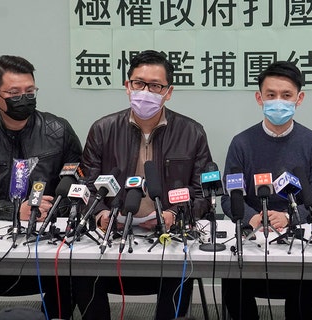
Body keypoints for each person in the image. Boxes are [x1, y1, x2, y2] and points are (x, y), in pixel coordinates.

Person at [80, 49, 213, 320]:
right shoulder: (103, 129)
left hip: (168, 238)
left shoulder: (192, 132)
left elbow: (202, 192)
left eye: (155, 86)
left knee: (180, 271)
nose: (146, 91)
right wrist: (101, 214)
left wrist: (174, 216)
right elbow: (88, 186)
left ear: (169, 91)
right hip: (112, 235)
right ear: (127, 86)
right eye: (139, 83)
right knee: (81, 273)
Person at [0, 55, 84, 320]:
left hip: (50, 233)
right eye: (14, 93)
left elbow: (80, 183)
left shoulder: (58, 130)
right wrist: (14, 211)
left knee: (70, 283)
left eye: (29, 91)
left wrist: (57, 208)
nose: (23, 98)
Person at [220, 61, 312, 320]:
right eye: (271, 95)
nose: (278, 101)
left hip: (299, 240)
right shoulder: (242, 143)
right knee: (233, 284)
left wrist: (290, 218)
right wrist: (252, 217)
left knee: (303, 290)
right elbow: (228, 197)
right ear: (259, 98)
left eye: (286, 95)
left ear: (299, 99)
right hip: (253, 239)